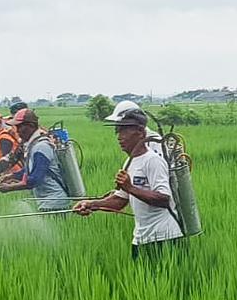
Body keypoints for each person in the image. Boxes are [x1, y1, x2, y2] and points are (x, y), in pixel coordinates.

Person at [72, 108, 183, 258]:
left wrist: (130, 188)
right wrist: (91, 204)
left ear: (141, 133)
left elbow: (164, 199)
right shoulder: (129, 163)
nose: (119, 137)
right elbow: (119, 201)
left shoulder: (153, 161)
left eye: (124, 131)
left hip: (164, 237)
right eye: (117, 131)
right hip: (141, 238)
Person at [0, 109, 72, 211]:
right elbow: (30, 169)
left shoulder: (41, 146)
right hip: (47, 201)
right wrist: (11, 176)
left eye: (19, 126)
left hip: (55, 203)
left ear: (31, 126)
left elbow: (35, 179)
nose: (17, 131)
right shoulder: (34, 145)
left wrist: (10, 187)